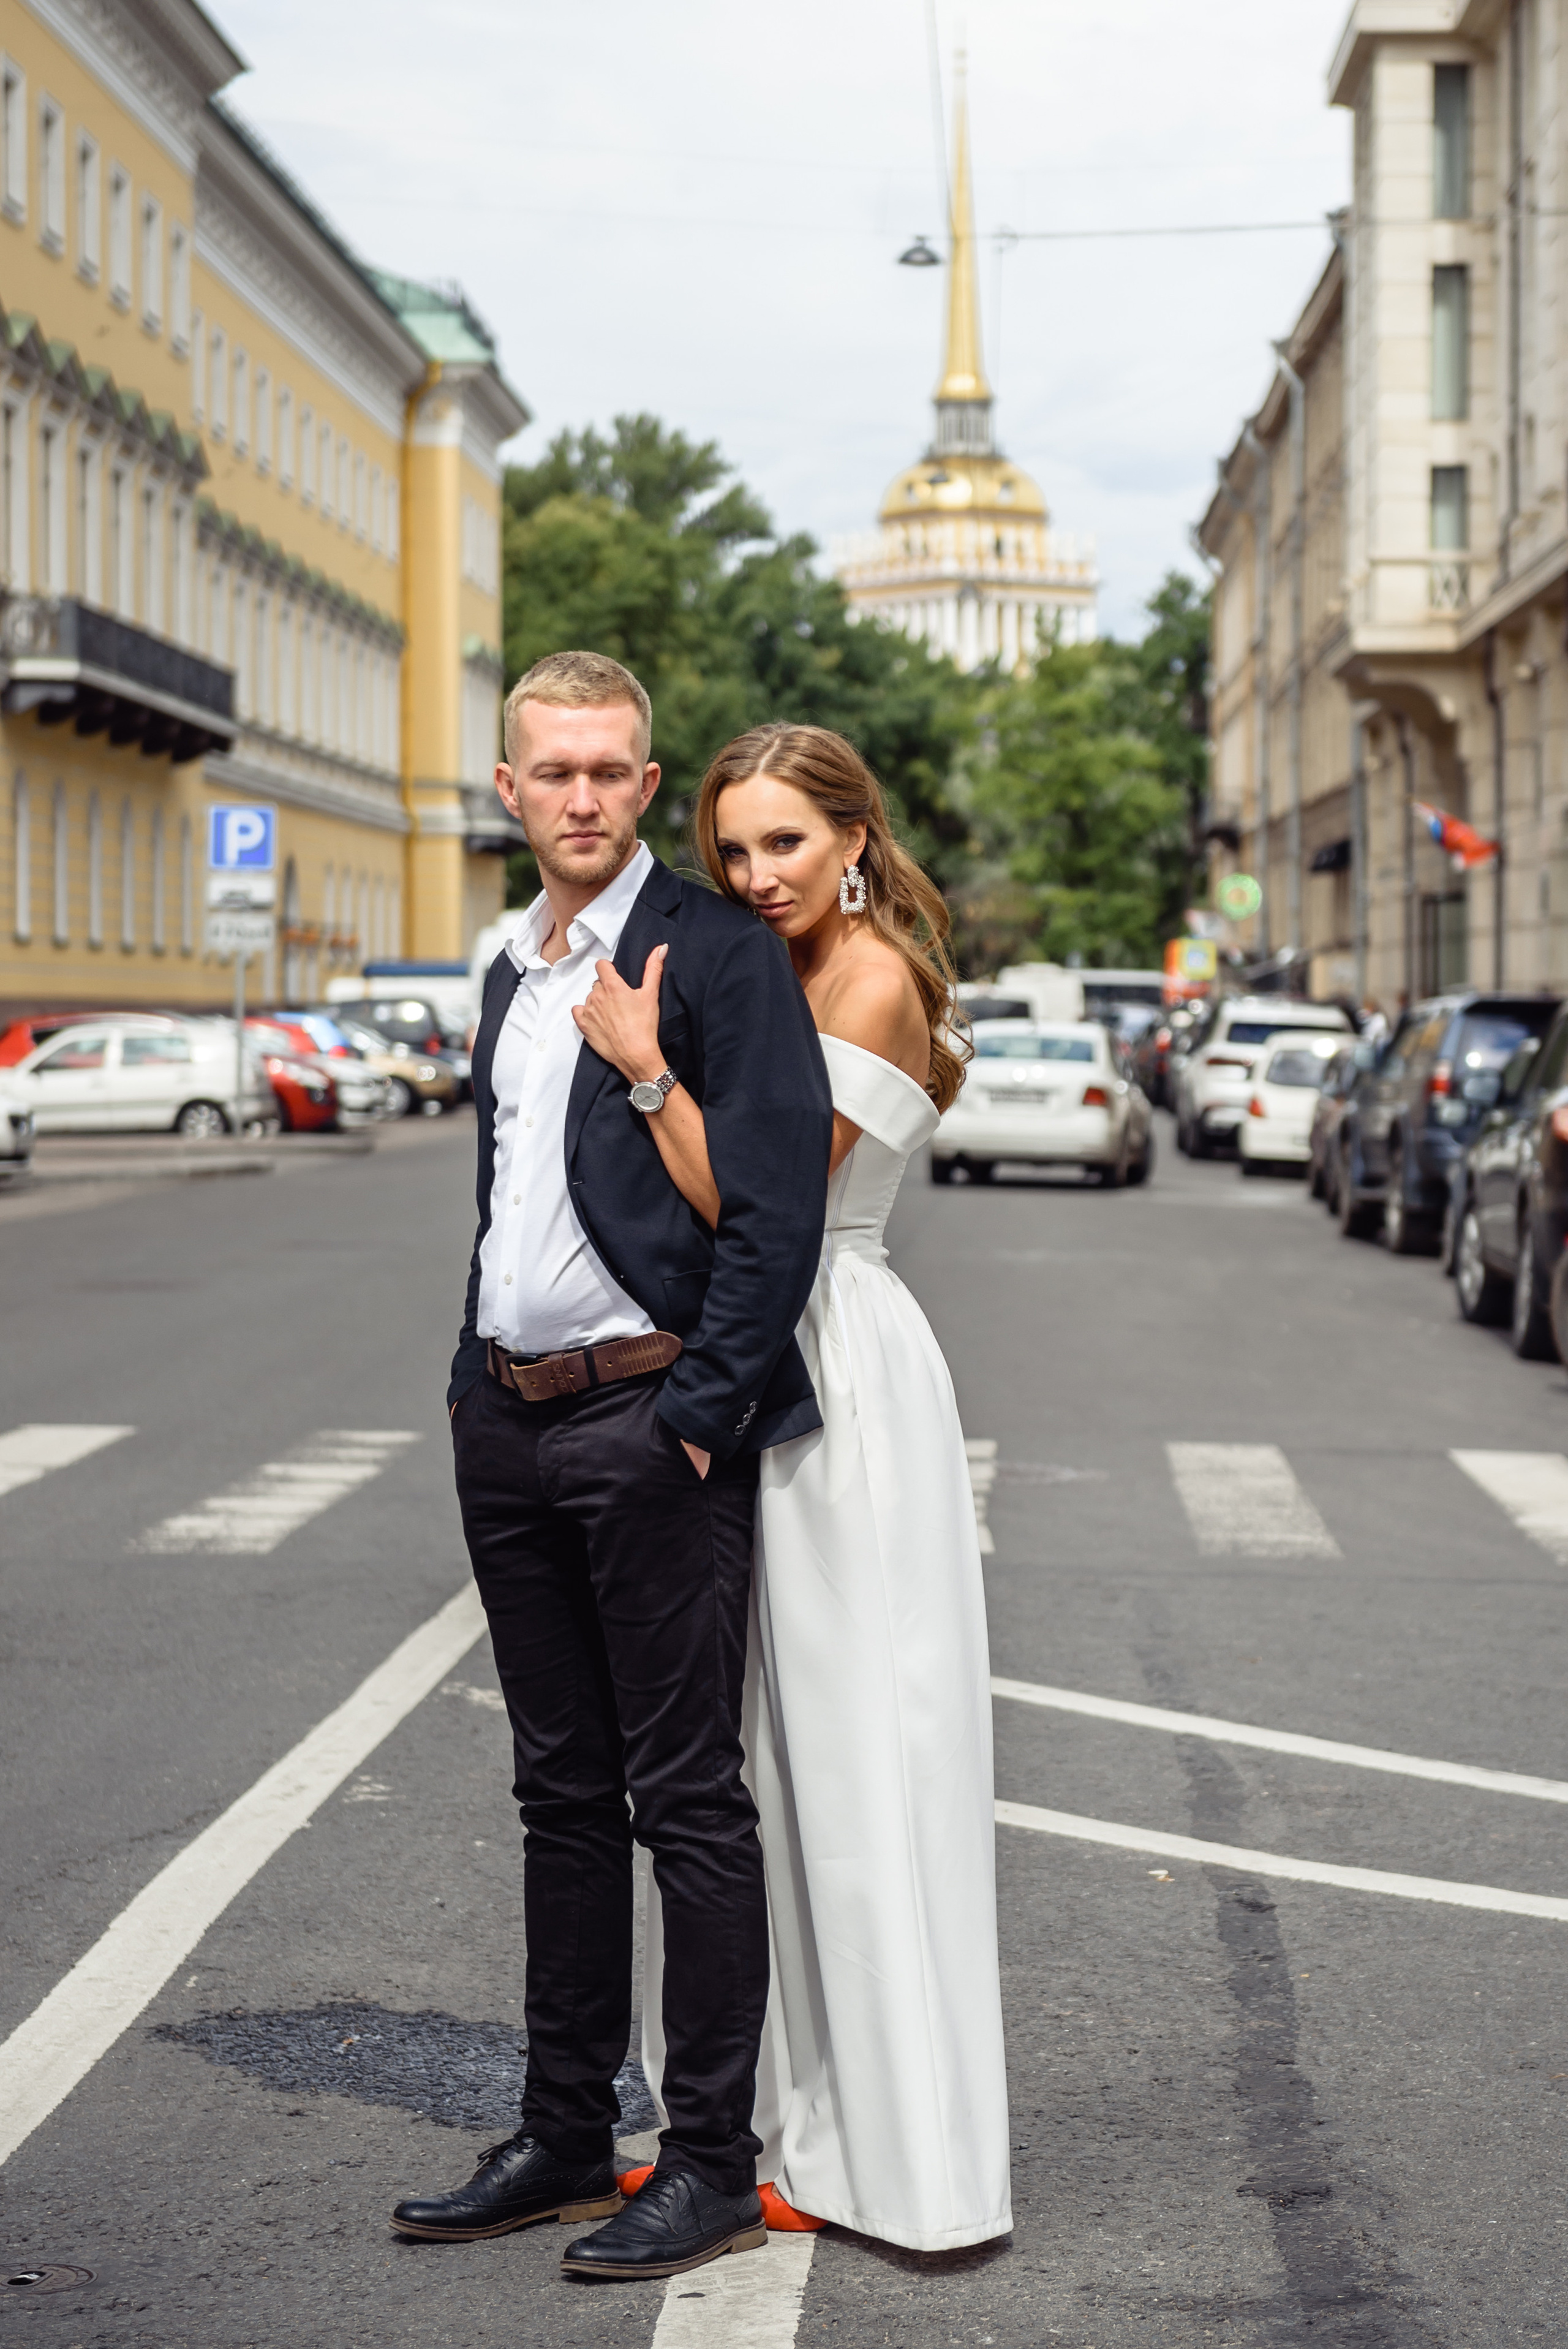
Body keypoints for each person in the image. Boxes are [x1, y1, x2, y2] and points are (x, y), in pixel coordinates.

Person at [390, 654, 833, 2283]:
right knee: (559, 1797)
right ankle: (569, 2130)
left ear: (646, 789)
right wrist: (467, 1386)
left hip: (649, 1426)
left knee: (686, 1801)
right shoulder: (510, 968)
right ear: (507, 790)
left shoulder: (719, 951)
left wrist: (700, 1412)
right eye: (551, 771)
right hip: (508, 1424)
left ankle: (709, 2160)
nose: (580, 796)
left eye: (609, 772)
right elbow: (509, 1202)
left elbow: (776, 1212)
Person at [577, 722, 1012, 2252]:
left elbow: (755, 1202)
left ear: (852, 839)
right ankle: (761, 2124)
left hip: (836, 1364)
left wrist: (642, 1077)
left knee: (854, 1749)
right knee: (759, 1747)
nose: (757, 877)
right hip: (759, 1349)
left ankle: (885, 2155)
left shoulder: (872, 975)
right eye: (733, 850)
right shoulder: (771, 968)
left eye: (785, 843)